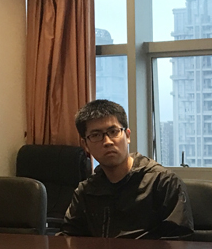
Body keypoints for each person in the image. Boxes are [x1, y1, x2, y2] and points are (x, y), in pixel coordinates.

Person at [62, 99, 194, 240]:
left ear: (127, 135)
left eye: (113, 132)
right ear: (85, 145)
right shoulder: (86, 191)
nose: (107, 142)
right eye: (96, 135)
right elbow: (69, 239)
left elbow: (178, 243)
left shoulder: (163, 182)